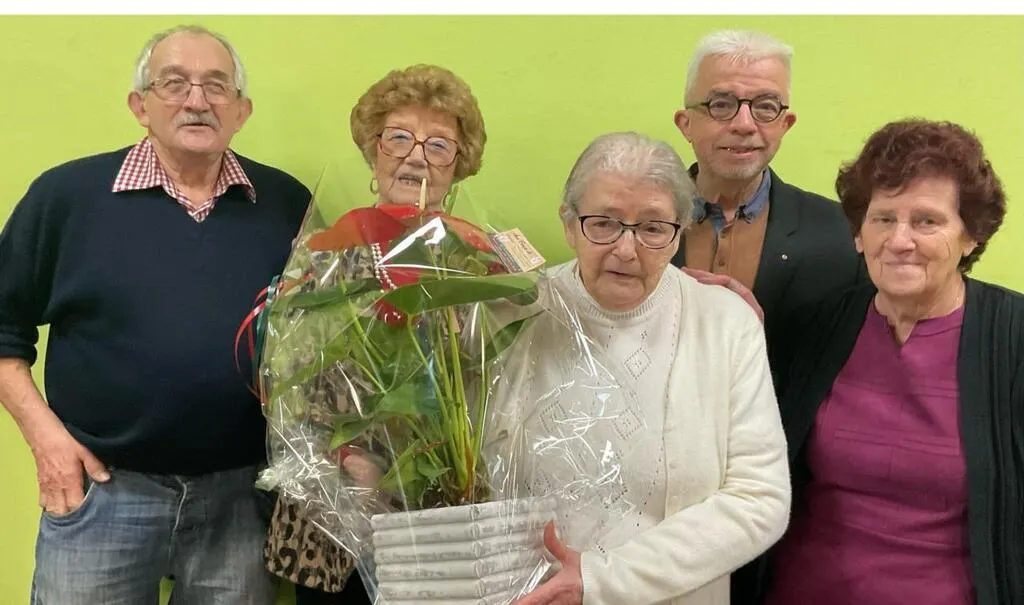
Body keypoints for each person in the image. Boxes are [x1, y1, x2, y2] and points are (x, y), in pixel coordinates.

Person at [0, 24, 310, 604]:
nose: (197, 100)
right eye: (174, 83)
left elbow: (317, 337)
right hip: (102, 494)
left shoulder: (288, 204)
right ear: (140, 106)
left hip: (241, 502)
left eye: (216, 85)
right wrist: (47, 442)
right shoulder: (66, 197)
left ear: (241, 111)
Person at [725, 119, 1022, 605]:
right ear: (859, 234)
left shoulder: (1013, 340)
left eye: (926, 221)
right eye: (883, 219)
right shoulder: (814, 328)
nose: (899, 240)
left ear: (971, 236)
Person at [505, 132, 790, 605]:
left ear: (680, 233)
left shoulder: (725, 323)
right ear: (569, 224)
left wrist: (601, 579)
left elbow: (760, 498)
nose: (626, 249)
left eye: (653, 228)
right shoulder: (513, 316)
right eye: (604, 223)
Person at [262, 63, 487, 605]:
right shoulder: (325, 253)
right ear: (374, 150)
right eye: (399, 137)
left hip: (442, 501)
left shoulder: (480, 260)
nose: (416, 157)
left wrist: (443, 463)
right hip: (335, 500)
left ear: (458, 166)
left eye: (439, 145)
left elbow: (498, 381)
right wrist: (350, 459)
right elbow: (286, 374)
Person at [671, 29, 863, 377]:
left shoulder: (843, 234)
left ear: (785, 124)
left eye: (765, 107)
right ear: (686, 124)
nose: (744, 125)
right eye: (721, 105)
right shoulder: (634, 227)